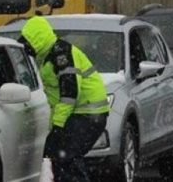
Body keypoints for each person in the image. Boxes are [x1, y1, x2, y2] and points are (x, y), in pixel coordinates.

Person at [20, 16, 110, 182]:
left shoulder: (62, 54)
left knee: (66, 156)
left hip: (88, 112)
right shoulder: (46, 56)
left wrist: (58, 126)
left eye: (28, 43)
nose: (27, 49)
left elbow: (69, 93)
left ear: (38, 39)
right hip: (80, 113)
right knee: (62, 157)